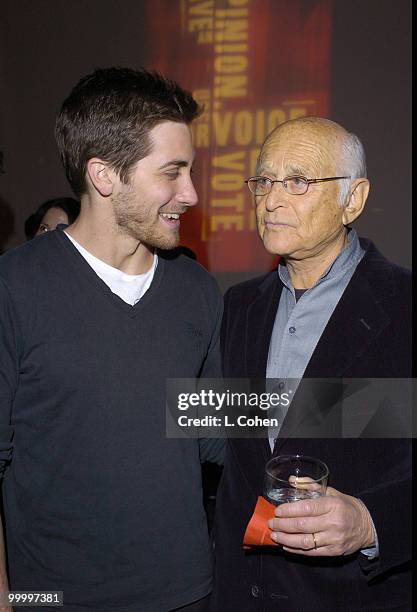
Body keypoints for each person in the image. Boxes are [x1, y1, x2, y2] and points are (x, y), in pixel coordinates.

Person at [0, 67, 224, 612]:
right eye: (172, 172)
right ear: (104, 176)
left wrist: (375, 409)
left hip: (187, 594)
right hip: (53, 600)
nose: (191, 193)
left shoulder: (196, 288)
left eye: (190, 171)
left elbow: (214, 429)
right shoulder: (14, 288)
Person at [211, 117, 411, 611]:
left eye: (298, 181)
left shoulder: (406, 306)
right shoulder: (238, 306)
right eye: (263, 181)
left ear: (354, 199)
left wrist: (371, 521)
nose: (271, 201)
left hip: (356, 597)